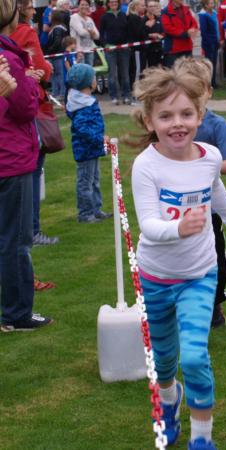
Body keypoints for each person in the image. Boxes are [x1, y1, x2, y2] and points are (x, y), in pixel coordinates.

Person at [130, 65, 226, 450]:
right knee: (164, 360)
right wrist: (178, 228)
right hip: (155, 277)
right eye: (166, 116)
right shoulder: (146, 166)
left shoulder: (210, 156)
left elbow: (216, 191)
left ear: (200, 115)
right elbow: (148, 225)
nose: (177, 123)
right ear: (150, 121)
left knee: (195, 357)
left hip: (200, 274)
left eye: (186, 113)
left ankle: (202, 437)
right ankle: (170, 399)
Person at [174, 57, 226, 328]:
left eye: (197, 90)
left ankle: (214, 305)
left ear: (208, 92)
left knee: (214, 259)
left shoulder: (216, 124)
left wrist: (200, 165)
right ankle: (181, 304)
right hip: (176, 211)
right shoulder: (174, 127)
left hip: (209, 210)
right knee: (179, 259)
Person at [0, 0, 53, 332]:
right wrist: (31, 83)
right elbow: (23, 109)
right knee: (16, 241)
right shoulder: (7, 56)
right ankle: (17, 313)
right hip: (11, 158)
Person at [11, 0, 59, 247]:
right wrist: (45, 68)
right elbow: (41, 68)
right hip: (28, 106)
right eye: (30, 7)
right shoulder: (25, 32)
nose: (34, 11)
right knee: (30, 172)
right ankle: (32, 230)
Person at [66, 63, 112, 223]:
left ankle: (96, 210)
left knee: (94, 181)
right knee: (85, 182)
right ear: (86, 82)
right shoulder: (82, 105)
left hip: (92, 148)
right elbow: (83, 129)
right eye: (93, 77)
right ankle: (85, 214)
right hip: (85, 150)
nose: (95, 80)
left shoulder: (84, 101)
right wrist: (100, 138)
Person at [100, 0, 131, 105]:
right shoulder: (104, 17)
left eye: (115, 2)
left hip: (124, 48)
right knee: (112, 74)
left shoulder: (123, 15)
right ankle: (114, 96)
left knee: (125, 74)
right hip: (111, 49)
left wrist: (128, 44)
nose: (113, 3)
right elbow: (101, 34)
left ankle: (126, 95)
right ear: (108, 4)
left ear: (118, 3)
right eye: (111, 2)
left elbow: (128, 31)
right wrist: (105, 45)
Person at [160, 0, 198, 67]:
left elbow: (193, 22)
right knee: (174, 72)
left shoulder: (186, 9)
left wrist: (192, 29)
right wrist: (185, 33)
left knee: (188, 71)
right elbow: (167, 28)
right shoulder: (165, 11)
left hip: (187, 48)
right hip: (173, 51)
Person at [45, 9, 69, 98]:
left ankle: (62, 93)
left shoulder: (58, 29)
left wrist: (49, 50)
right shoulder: (57, 28)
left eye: (50, 15)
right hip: (56, 55)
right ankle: (55, 93)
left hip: (57, 55)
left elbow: (57, 41)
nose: (48, 17)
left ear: (54, 17)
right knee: (55, 74)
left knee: (59, 74)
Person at [70, 0, 99, 66]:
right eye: (82, 5)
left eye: (86, 5)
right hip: (78, 51)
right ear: (78, 6)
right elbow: (82, 32)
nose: (84, 6)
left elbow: (97, 36)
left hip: (90, 50)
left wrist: (87, 30)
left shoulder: (90, 19)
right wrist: (91, 32)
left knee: (89, 71)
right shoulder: (74, 17)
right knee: (81, 71)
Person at [198, 0, 219, 88]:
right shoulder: (203, 15)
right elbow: (204, 31)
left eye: (213, 3)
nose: (212, 5)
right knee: (209, 63)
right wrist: (209, 42)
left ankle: (213, 82)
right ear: (206, 5)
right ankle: (209, 82)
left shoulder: (214, 13)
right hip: (209, 43)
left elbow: (217, 27)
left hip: (215, 41)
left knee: (214, 62)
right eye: (210, 3)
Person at [127, 0, 147, 90]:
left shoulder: (136, 17)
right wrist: (146, 25)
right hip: (137, 49)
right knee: (137, 69)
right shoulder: (134, 18)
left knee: (139, 68)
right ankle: (135, 90)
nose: (144, 7)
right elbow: (139, 33)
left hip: (139, 48)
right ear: (136, 7)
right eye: (142, 6)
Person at [144, 0, 164, 68]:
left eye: (154, 6)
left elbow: (163, 32)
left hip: (159, 49)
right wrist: (150, 35)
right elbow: (139, 34)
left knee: (160, 69)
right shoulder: (143, 19)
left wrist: (160, 36)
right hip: (147, 50)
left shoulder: (159, 19)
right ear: (147, 8)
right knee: (149, 70)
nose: (153, 8)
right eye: (150, 6)